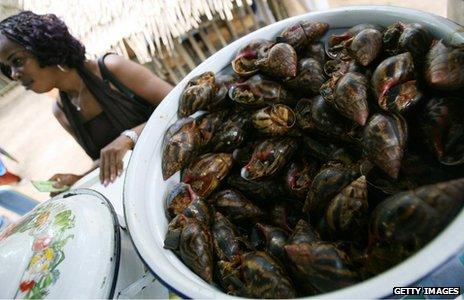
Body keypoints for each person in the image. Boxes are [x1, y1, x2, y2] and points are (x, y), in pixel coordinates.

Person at [0, 11, 173, 190]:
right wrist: (79, 179)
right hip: (149, 187)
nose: (14, 74)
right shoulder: (61, 111)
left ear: (43, 47)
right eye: (8, 68)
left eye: (18, 61)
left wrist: (129, 137)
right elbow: (106, 160)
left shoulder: (111, 69)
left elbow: (178, 102)